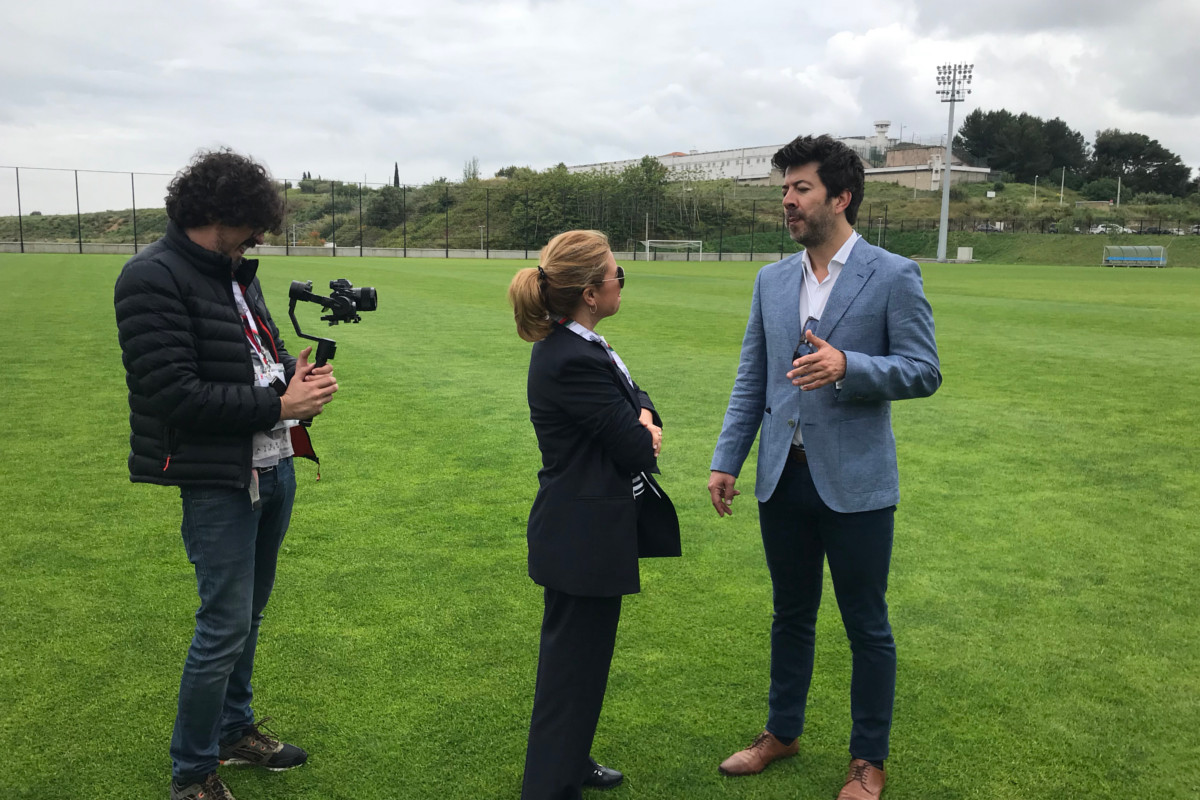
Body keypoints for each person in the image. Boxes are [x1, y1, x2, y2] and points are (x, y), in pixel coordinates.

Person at [707, 135, 941, 800]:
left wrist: (851, 366)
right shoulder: (771, 279)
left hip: (858, 483)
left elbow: (924, 370)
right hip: (783, 475)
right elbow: (753, 376)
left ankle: (868, 760)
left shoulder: (893, 275)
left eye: (801, 188)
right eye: (785, 189)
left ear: (840, 198)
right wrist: (729, 459)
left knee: (866, 623)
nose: (787, 200)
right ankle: (781, 732)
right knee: (791, 614)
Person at [114, 148, 338, 800]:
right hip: (219, 479)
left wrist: (288, 378)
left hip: (275, 465)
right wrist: (279, 403)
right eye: (252, 224)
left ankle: (236, 732)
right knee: (222, 626)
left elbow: (249, 358)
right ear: (217, 214)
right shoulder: (149, 278)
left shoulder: (236, 271)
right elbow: (174, 395)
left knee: (250, 616)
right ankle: (192, 775)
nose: (260, 238)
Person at [507, 230, 680, 800]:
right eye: (616, 276)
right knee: (570, 673)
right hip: (579, 537)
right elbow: (635, 446)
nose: (620, 283)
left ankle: (571, 762)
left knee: (583, 665)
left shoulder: (584, 345)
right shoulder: (570, 357)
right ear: (589, 292)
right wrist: (645, 430)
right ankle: (549, 787)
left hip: (588, 533)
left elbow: (639, 397)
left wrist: (644, 419)